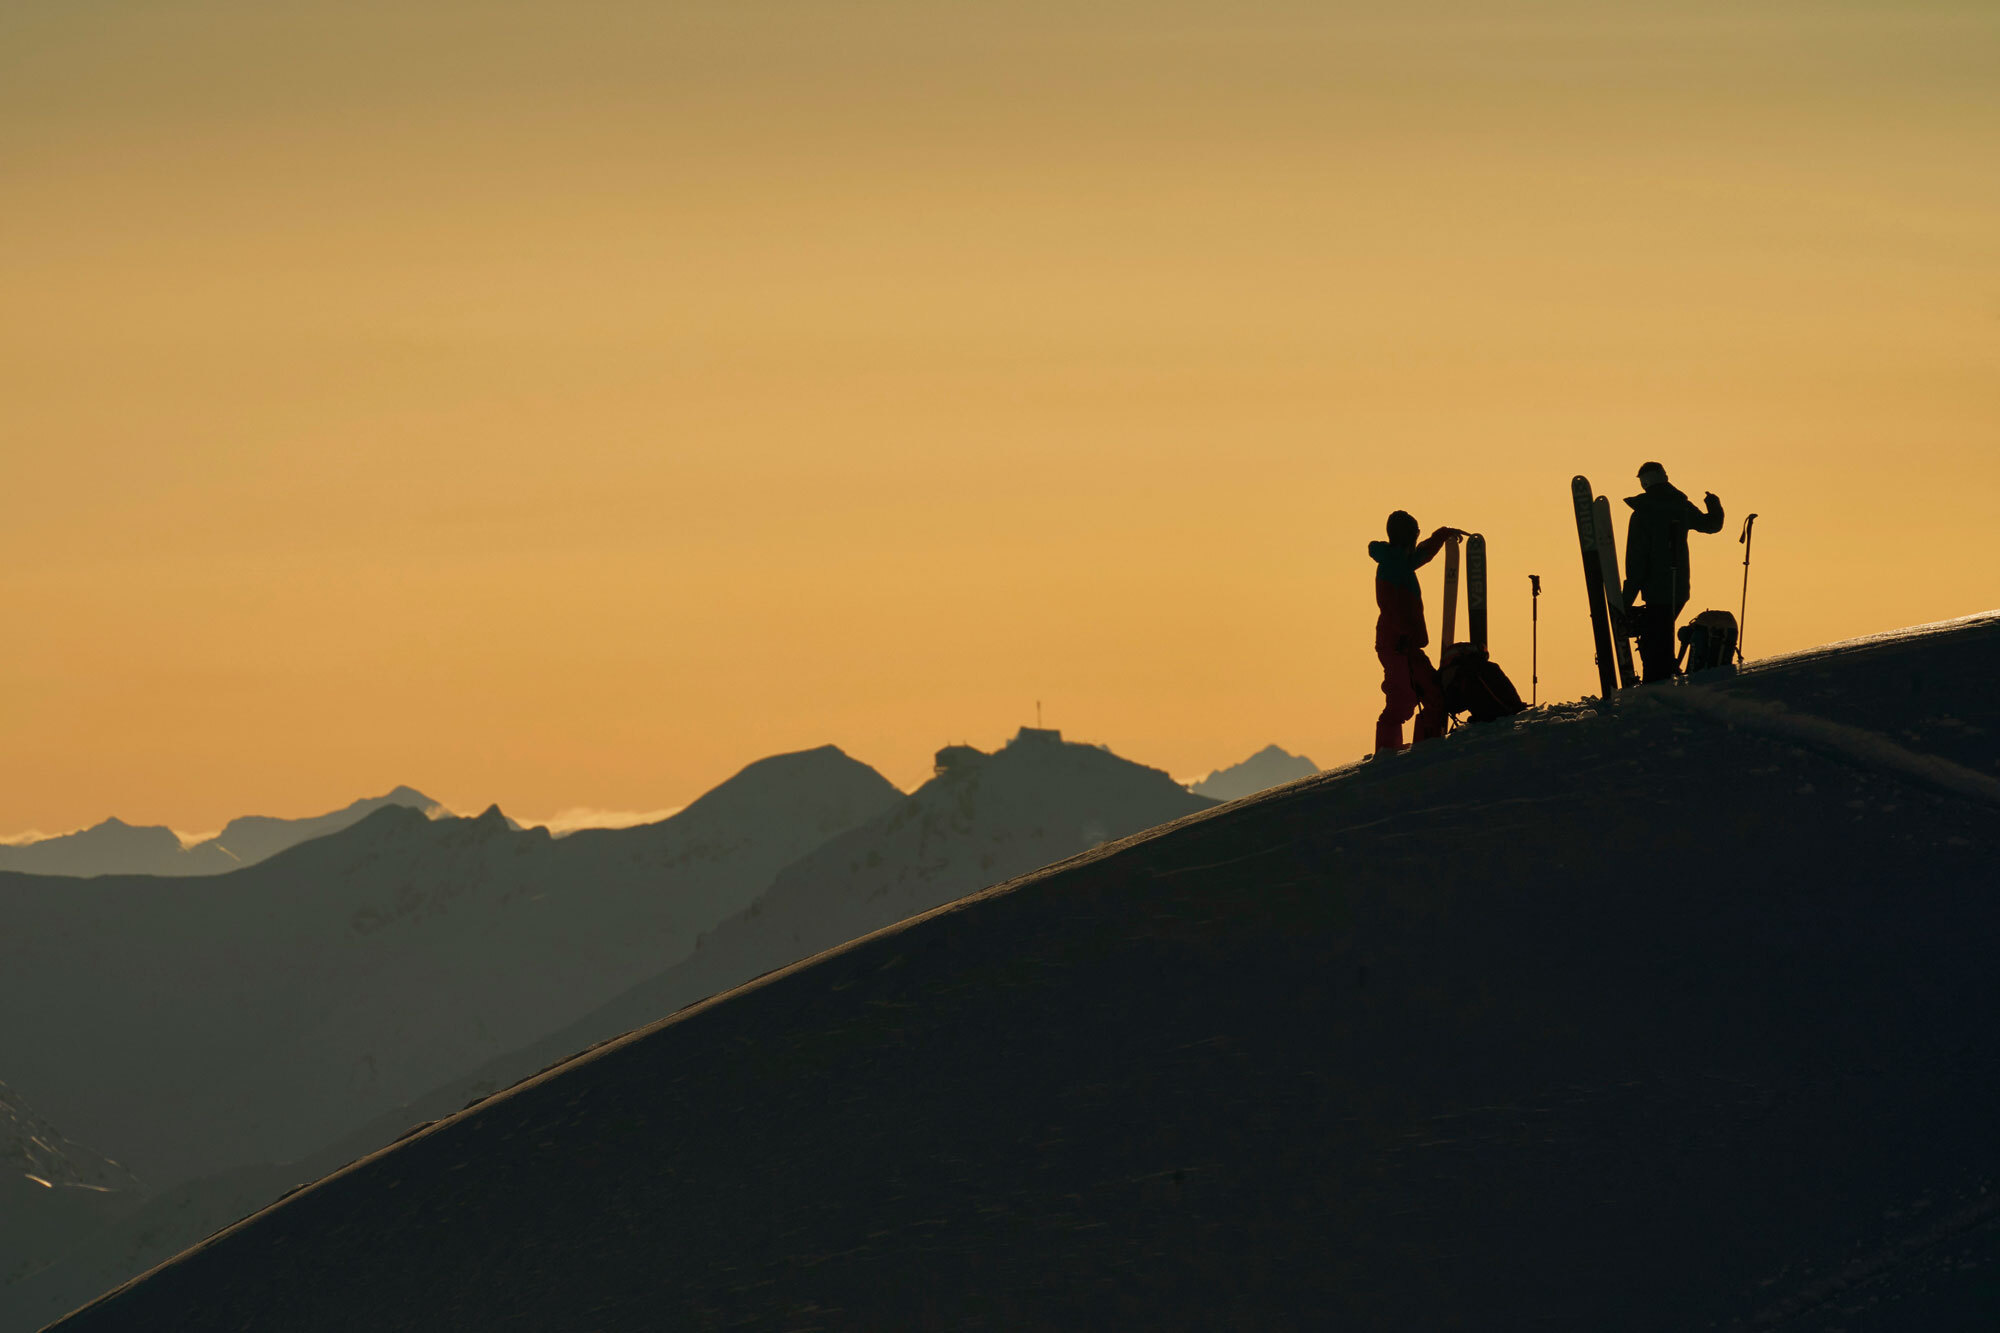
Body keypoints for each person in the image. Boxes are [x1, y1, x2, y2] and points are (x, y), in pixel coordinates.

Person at [1621, 461, 1724, 682]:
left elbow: (1636, 560)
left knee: (1654, 639)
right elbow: (1712, 525)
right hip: (1679, 589)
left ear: (1645, 482)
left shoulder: (1643, 513)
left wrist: (1625, 599)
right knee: (1659, 634)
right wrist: (1713, 504)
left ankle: (1657, 682)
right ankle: (1662, 675)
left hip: (1656, 589)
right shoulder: (1680, 506)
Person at [1369, 510, 1463, 754]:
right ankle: (1407, 750)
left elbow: (1420, 555)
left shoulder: (1397, 561)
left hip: (1400, 644)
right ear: (1407, 537)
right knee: (1407, 699)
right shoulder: (1394, 564)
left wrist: (1442, 535)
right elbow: (1390, 606)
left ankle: (1403, 748)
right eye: (1415, 533)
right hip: (1399, 645)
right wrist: (1402, 636)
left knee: (1421, 695)